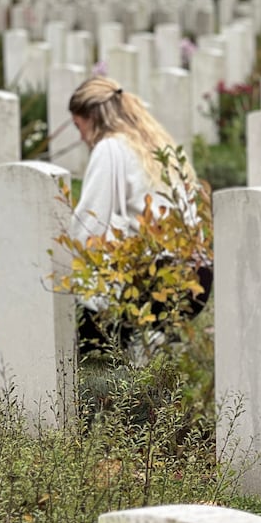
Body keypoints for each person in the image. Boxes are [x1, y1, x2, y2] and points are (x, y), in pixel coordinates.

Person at [66, 76, 211, 351]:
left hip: (158, 280)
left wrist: (63, 276)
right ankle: (154, 353)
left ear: (90, 117)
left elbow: (89, 223)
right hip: (197, 276)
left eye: (78, 126)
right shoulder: (156, 143)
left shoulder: (110, 147)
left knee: (89, 336)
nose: (81, 137)